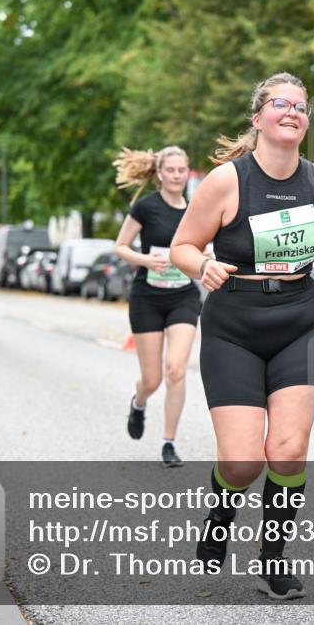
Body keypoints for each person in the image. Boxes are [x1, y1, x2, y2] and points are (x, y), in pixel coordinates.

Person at [171, 72, 314, 599]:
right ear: (258, 118)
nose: (292, 111)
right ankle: (220, 518)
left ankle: (272, 561)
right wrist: (202, 265)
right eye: (280, 104)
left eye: (301, 105)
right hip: (234, 327)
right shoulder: (227, 181)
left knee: (288, 452)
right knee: (243, 462)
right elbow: (182, 245)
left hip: (297, 321)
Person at [112, 146, 202, 467]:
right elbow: (120, 246)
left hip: (183, 297)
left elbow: (202, 251)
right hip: (147, 297)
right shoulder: (146, 207)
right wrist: (145, 259)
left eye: (182, 170)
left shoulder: (196, 211)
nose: (177, 175)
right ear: (160, 174)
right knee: (152, 380)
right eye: (171, 170)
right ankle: (139, 403)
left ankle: (169, 443)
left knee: (176, 369)